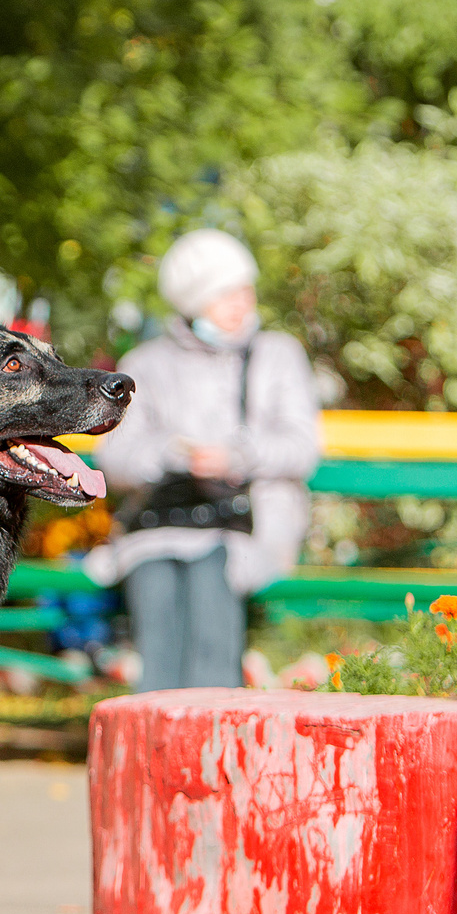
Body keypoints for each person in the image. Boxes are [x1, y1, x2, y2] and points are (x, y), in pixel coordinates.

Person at [92, 231, 320, 691]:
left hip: (247, 524)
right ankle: (158, 730)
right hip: (159, 525)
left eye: (244, 289)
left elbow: (303, 447)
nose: (242, 302)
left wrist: (239, 456)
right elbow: (113, 457)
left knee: (211, 574)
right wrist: (174, 455)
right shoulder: (148, 362)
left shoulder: (277, 355)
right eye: (225, 293)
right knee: (155, 581)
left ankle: (211, 727)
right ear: (194, 302)